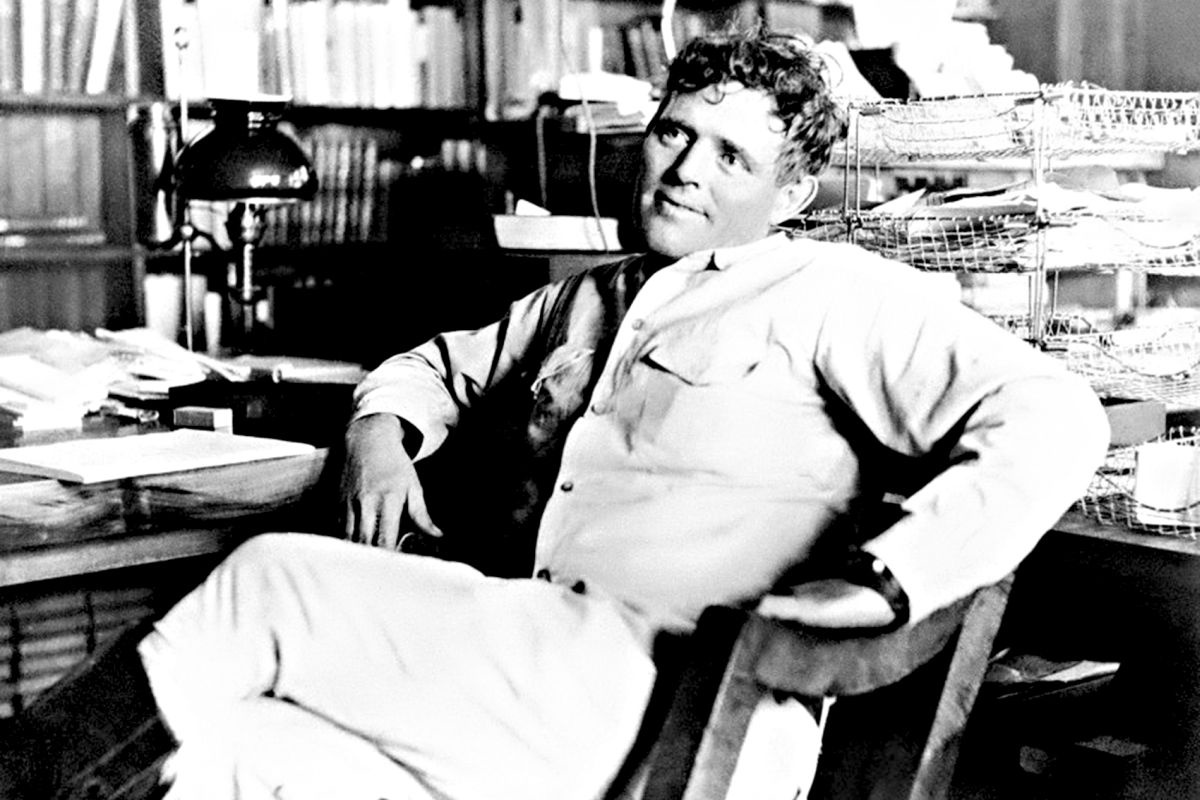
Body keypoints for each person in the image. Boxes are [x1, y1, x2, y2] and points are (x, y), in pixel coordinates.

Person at [0, 26, 1108, 800]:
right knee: (233, 752)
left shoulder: (834, 293)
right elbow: (433, 366)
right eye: (675, 133)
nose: (685, 170)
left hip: (676, 704)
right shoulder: (592, 295)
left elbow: (1057, 416)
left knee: (268, 583)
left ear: (792, 195)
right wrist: (379, 435)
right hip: (537, 684)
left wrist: (888, 578)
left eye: (732, 155)